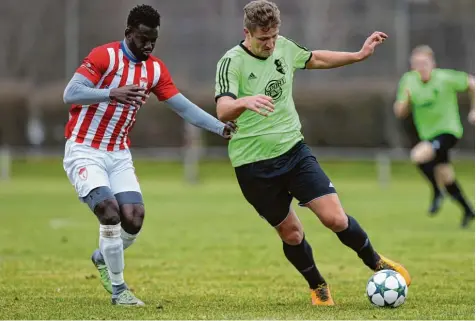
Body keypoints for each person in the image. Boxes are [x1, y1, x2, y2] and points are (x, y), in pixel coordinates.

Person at [214, 0, 411, 306]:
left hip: (294, 152)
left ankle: (376, 262)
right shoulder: (231, 61)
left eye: (274, 36)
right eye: (262, 38)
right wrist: (245, 101)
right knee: (291, 234)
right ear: (247, 33)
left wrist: (358, 56)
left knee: (335, 218)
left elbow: (315, 58)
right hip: (253, 166)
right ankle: (317, 285)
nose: (269, 44)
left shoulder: (283, 47)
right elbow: (223, 109)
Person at [63, 4, 236, 306]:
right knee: (109, 210)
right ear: (128, 33)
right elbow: (71, 92)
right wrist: (110, 93)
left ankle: (102, 256)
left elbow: (183, 107)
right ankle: (119, 291)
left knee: (134, 218)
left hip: (118, 154)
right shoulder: (104, 56)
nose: (148, 45)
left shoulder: (155, 69)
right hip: (84, 149)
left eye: (153, 39)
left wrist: (220, 128)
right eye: (142, 38)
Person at [394, 45, 475, 228]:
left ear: (433, 63)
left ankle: (436, 192)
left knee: (418, 155)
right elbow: (399, 111)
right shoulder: (408, 81)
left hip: (449, 131)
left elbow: (472, 83)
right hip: (428, 135)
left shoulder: (445, 77)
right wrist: (405, 101)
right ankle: (468, 210)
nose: (420, 67)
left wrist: (474, 109)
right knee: (446, 175)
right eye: (416, 64)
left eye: (424, 63)